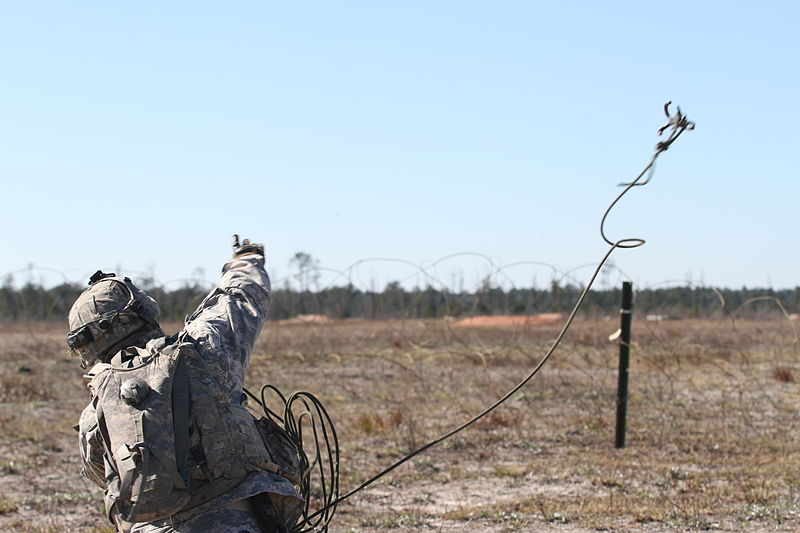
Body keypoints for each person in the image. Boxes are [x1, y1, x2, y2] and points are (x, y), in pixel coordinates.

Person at [68, 236, 303, 533]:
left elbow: (103, 476)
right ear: (143, 311)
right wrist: (247, 258)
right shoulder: (202, 349)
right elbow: (240, 297)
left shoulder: (96, 410)